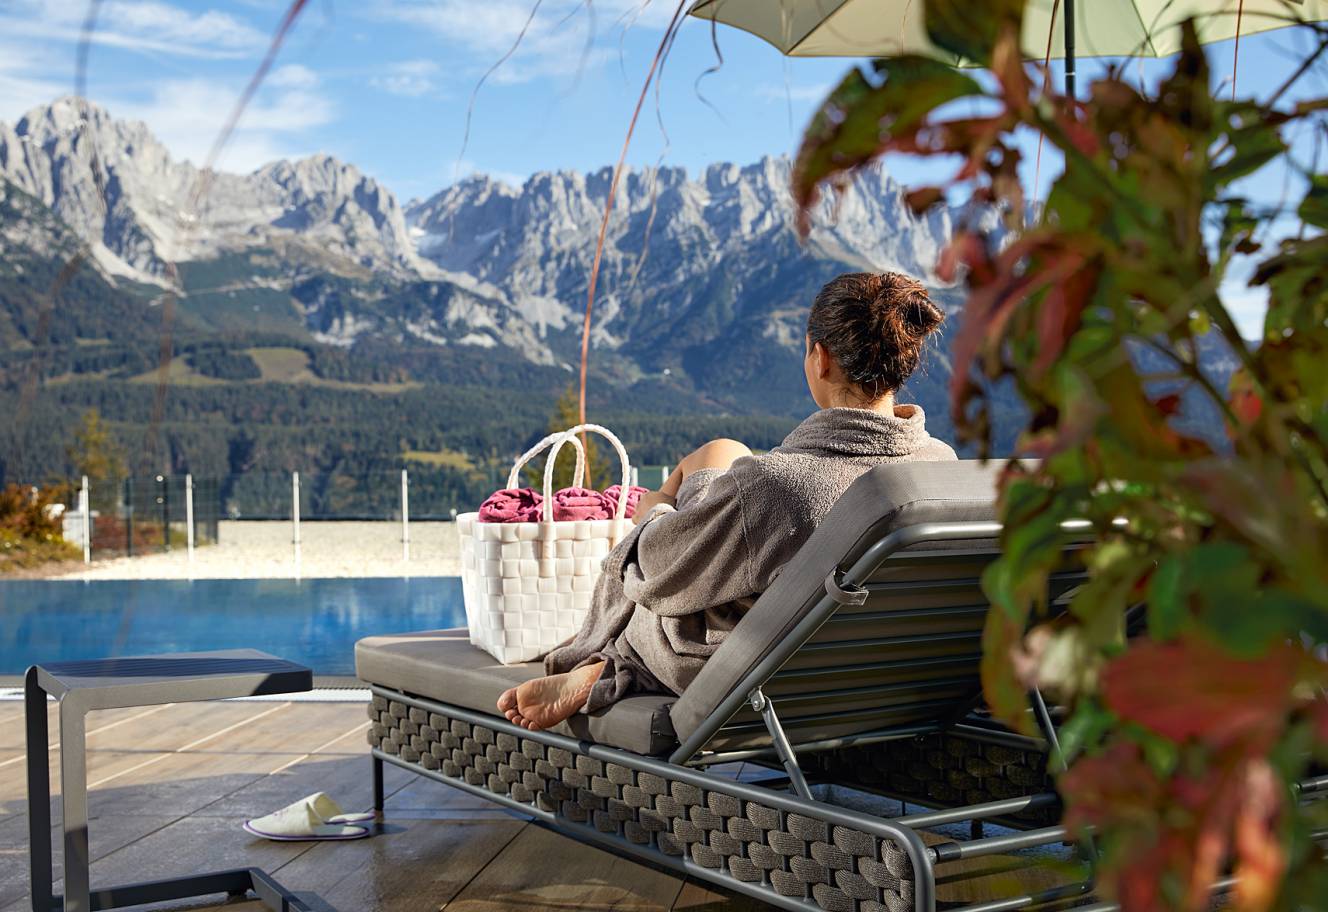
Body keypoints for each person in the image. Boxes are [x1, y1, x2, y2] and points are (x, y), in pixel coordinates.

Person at [498, 271, 957, 730]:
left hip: (772, 681)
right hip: (892, 674)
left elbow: (657, 571)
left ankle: (609, 663)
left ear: (820, 358)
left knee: (681, 531)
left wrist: (654, 511)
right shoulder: (941, 466)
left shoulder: (780, 487)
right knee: (724, 462)